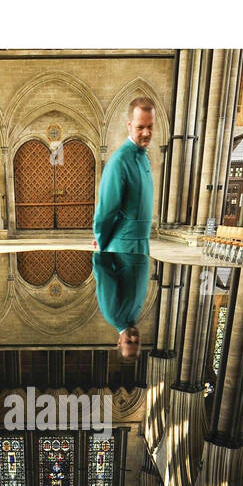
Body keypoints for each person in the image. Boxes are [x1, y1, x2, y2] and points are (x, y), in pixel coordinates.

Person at [93, 97, 155, 254]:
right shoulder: (119, 161)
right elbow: (105, 212)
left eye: (150, 127)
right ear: (129, 125)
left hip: (141, 246)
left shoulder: (144, 158)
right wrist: (103, 246)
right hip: (122, 248)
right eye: (140, 127)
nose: (146, 133)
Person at [93, 251, 150, 360]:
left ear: (119, 342)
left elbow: (103, 272)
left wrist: (102, 243)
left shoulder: (113, 315)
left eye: (128, 341)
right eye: (137, 342)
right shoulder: (132, 318)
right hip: (137, 247)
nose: (134, 337)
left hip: (125, 246)